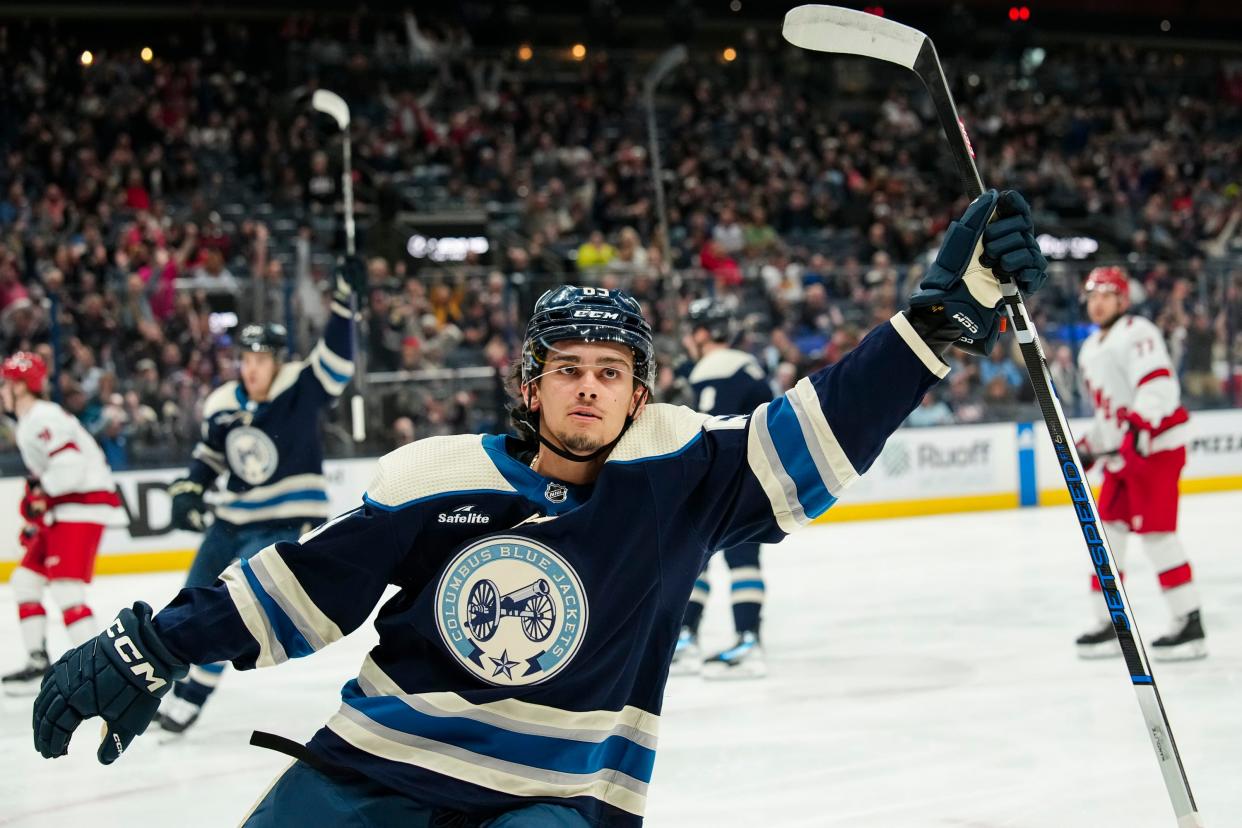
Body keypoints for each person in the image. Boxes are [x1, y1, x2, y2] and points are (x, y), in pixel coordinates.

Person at [33, 191, 1046, 827]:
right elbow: (306, 585)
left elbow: (826, 422)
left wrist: (937, 322)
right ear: (531, 383)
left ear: (641, 390)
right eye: (570, 370)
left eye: (613, 372)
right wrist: (154, 645)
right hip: (377, 772)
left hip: (559, 798)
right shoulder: (438, 471)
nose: (592, 390)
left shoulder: (682, 469)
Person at [153, 258, 361, 734]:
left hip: (283, 522)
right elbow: (209, 457)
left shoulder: (300, 389)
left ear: (278, 361)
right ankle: (163, 687)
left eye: (261, 359)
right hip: (230, 521)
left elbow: (338, 360)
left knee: (228, 603)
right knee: (190, 600)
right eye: (245, 360)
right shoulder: (223, 403)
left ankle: (190, 699)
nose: (251, 369)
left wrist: (345, 303)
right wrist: (191, 487)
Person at [1074, 266, 1206, 660]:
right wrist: (1093, 443)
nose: (1097, 303)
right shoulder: (1089, 348)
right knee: (1107, 537)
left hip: (1155, 450)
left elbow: (1158, 385)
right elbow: (1108, 412)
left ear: (1122, 300)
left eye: (1105, 295)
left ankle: (1190, 623)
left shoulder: (1138, 332)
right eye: (1092, 295)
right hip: (1123, 457)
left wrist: (1140, 425)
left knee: (1157, 535)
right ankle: (1113, 623)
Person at [1, 352, 128, 694]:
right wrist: (40, 506)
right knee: (26, 580)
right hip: (66, 507)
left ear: (21, 386)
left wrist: (41, 496)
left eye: (6, 384)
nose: (2, 391)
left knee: (66, 590)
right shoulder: (30, 420)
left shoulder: (43, 416)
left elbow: (68, 467)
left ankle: (99, 672)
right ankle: (37, 662)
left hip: (81, 506)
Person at [671, 298, 775, 679]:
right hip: (751, 476)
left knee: (706, 558)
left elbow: (711, 426)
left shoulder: (714, 368)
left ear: (702, 333)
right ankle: (740, 637)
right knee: (730, 558)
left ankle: (697, 639)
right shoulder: (745, 365)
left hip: (723, 478)